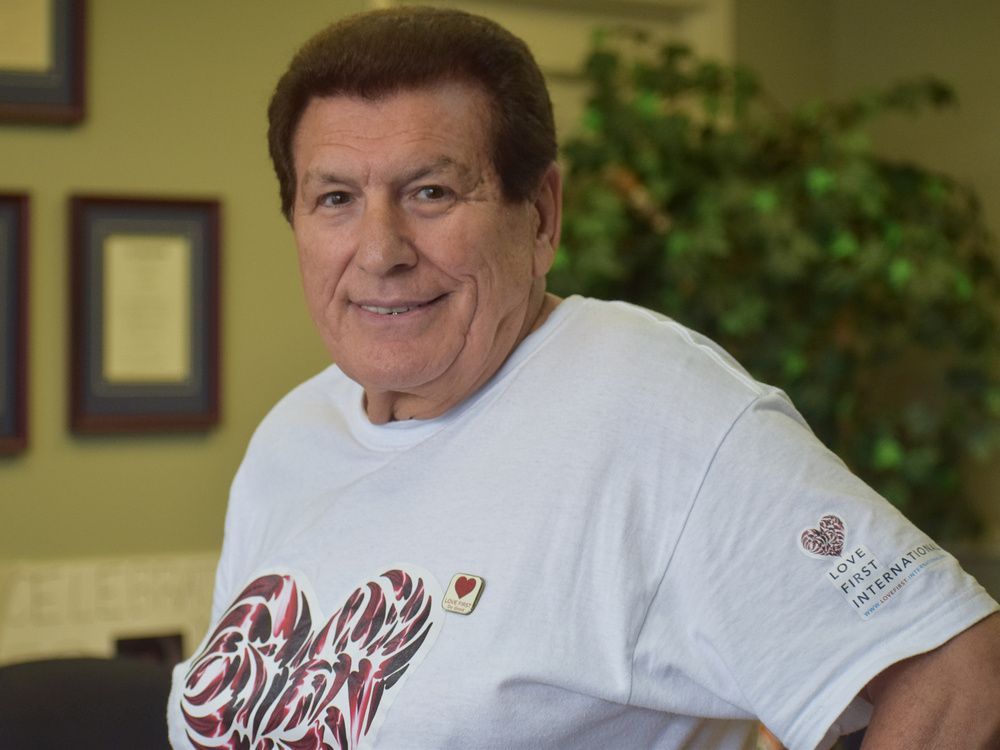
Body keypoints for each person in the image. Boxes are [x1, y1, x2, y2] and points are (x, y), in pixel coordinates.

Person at [167, 7, 1000, 749]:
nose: (380, 251)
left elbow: (960, 670)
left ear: (540, 216)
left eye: (431, 191)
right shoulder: (293, 435)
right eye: (335, 199)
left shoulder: (649, 405)